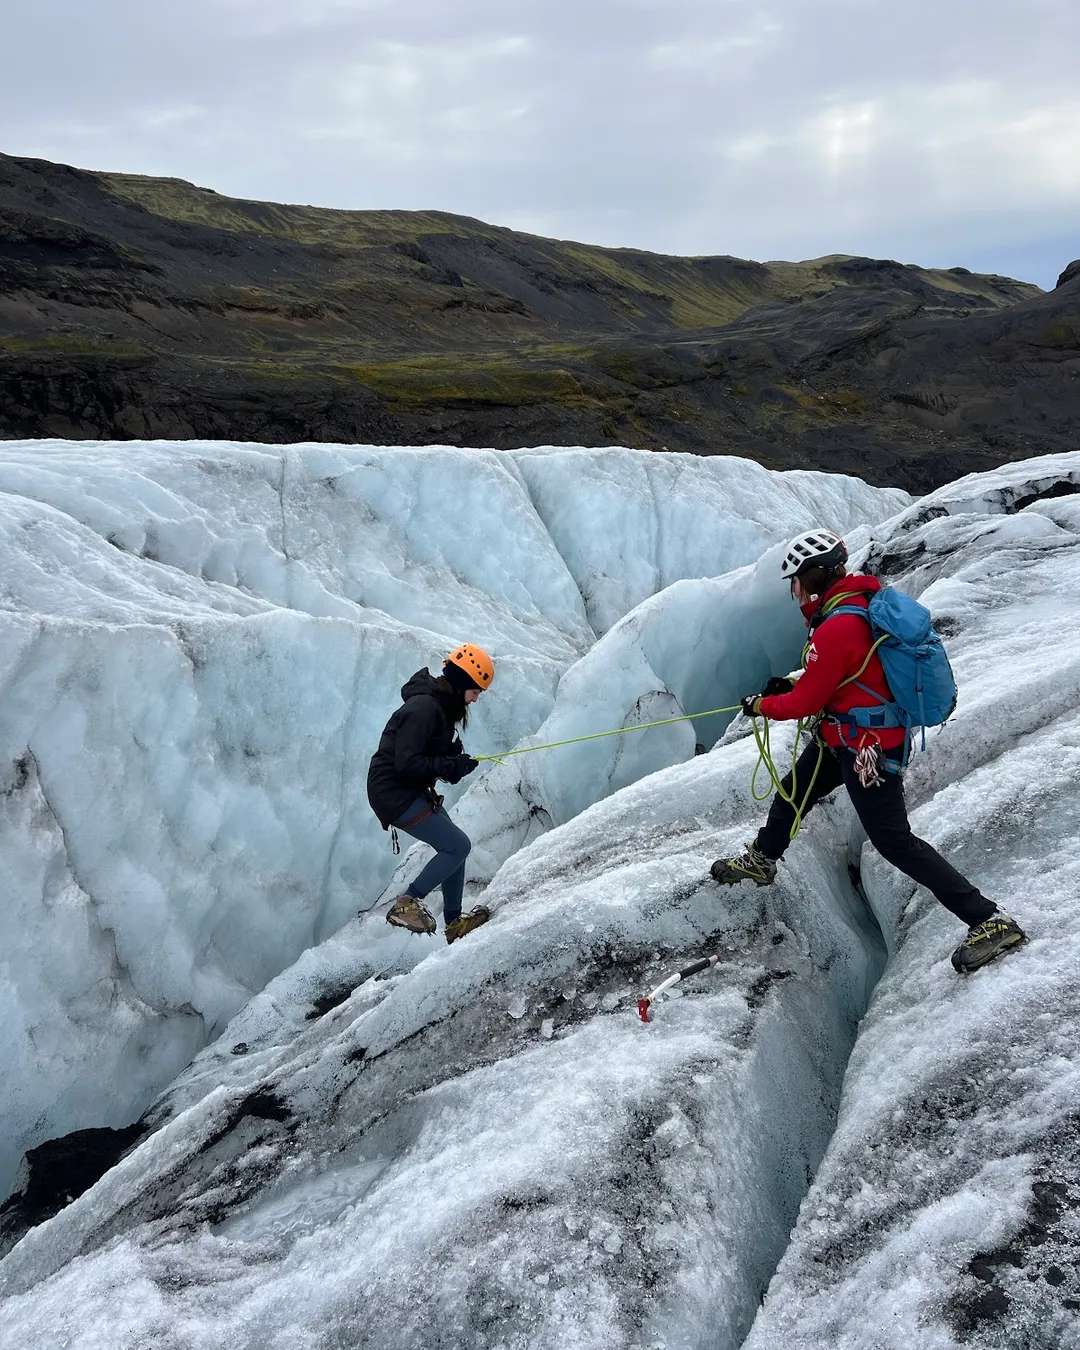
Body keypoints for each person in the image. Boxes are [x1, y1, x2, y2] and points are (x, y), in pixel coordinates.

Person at [711, 529, 1026, 974]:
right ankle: (763, 859)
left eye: (796, 580)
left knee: (893, 840)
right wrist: (796, 683)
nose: (793, 591)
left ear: (815, 575)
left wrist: (762, 705)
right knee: (793, 791)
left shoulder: (837, 625)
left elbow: (804, 705)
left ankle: (990, 921)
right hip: (842, 737)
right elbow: (847, 676)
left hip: (866, 748)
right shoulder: (854, 606)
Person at [367, 644, 494, 943]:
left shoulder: (439, 709)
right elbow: (408, 763)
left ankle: (453, 924)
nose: (476, 697)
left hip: (407, 788)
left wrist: (451, 761)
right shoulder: (424, 707)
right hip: (392, 791)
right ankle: (406, 903)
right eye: (475, 690)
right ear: (463, 681)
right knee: (457, 845)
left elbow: (424, 758)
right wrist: (448, 765)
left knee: (455, 845)